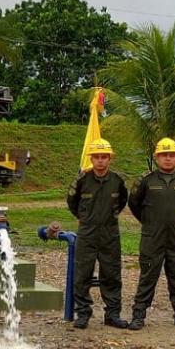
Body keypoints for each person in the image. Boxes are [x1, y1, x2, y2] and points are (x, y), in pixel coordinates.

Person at [126, 137, 175, 330]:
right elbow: (134, 204)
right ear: (156, 158)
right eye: (164, 155)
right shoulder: (146, 181)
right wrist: (149, 221)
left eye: (172, 155)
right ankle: (138, 316)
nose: (168, 159)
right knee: (147, 277)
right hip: (152, 238)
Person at [66, 138, 128, 329]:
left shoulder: (117, 181)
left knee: (111, 275)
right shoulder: (82, 180)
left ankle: (112, 314)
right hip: (87, 233)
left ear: (110, 159)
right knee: (82, 274)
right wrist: (85, 218)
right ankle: (83, 314)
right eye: (97, 157)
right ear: (91, 159)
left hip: (110, 234)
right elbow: (72, 202)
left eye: (104, 157)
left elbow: (123, 201)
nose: (100, 161)